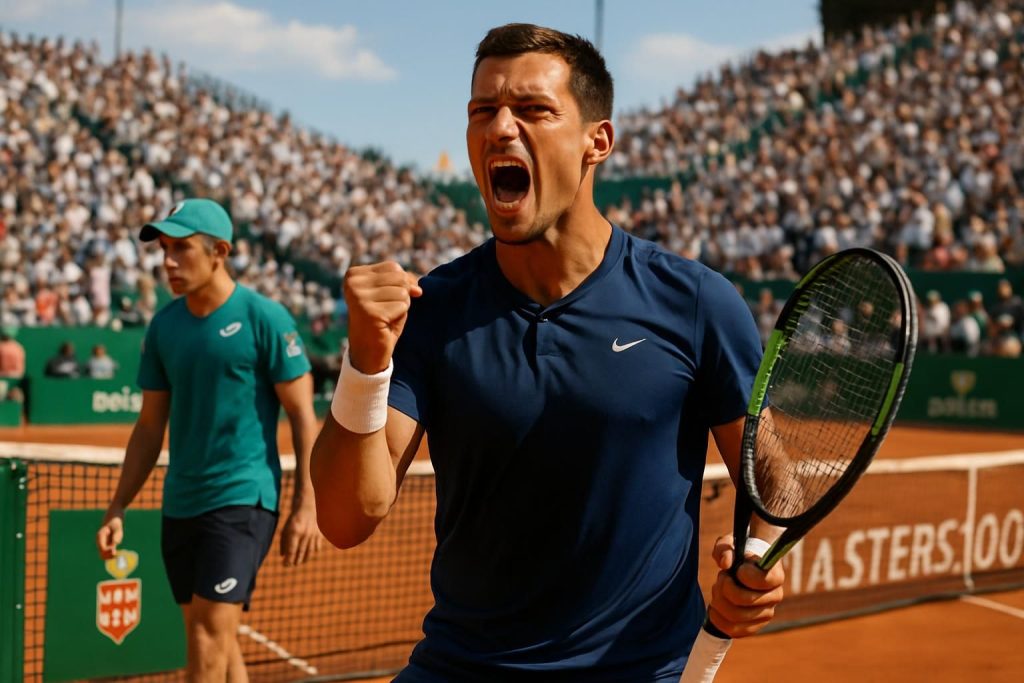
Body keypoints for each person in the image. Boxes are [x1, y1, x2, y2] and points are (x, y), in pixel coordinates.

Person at [311, 24, 784, 682]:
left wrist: (759, 550)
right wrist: (364, 363)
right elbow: (344, 517)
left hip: (639, 668)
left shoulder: (697, 301)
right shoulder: (433, 309)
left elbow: (771, 473)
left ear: (598, 142)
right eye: (483, 111)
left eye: (533, 109)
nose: (501, 128)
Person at [95, 198, 321, 681]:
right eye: (163, 250)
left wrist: (308, 505)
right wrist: (118, 506)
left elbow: (304, 416)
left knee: (206, 637)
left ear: (220, 251)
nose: (168, 263)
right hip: (180, 503)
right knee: (211, 633)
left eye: (182, 249)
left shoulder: (266, 318)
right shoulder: (163, 327)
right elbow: (149, 426)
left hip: (242, 498)